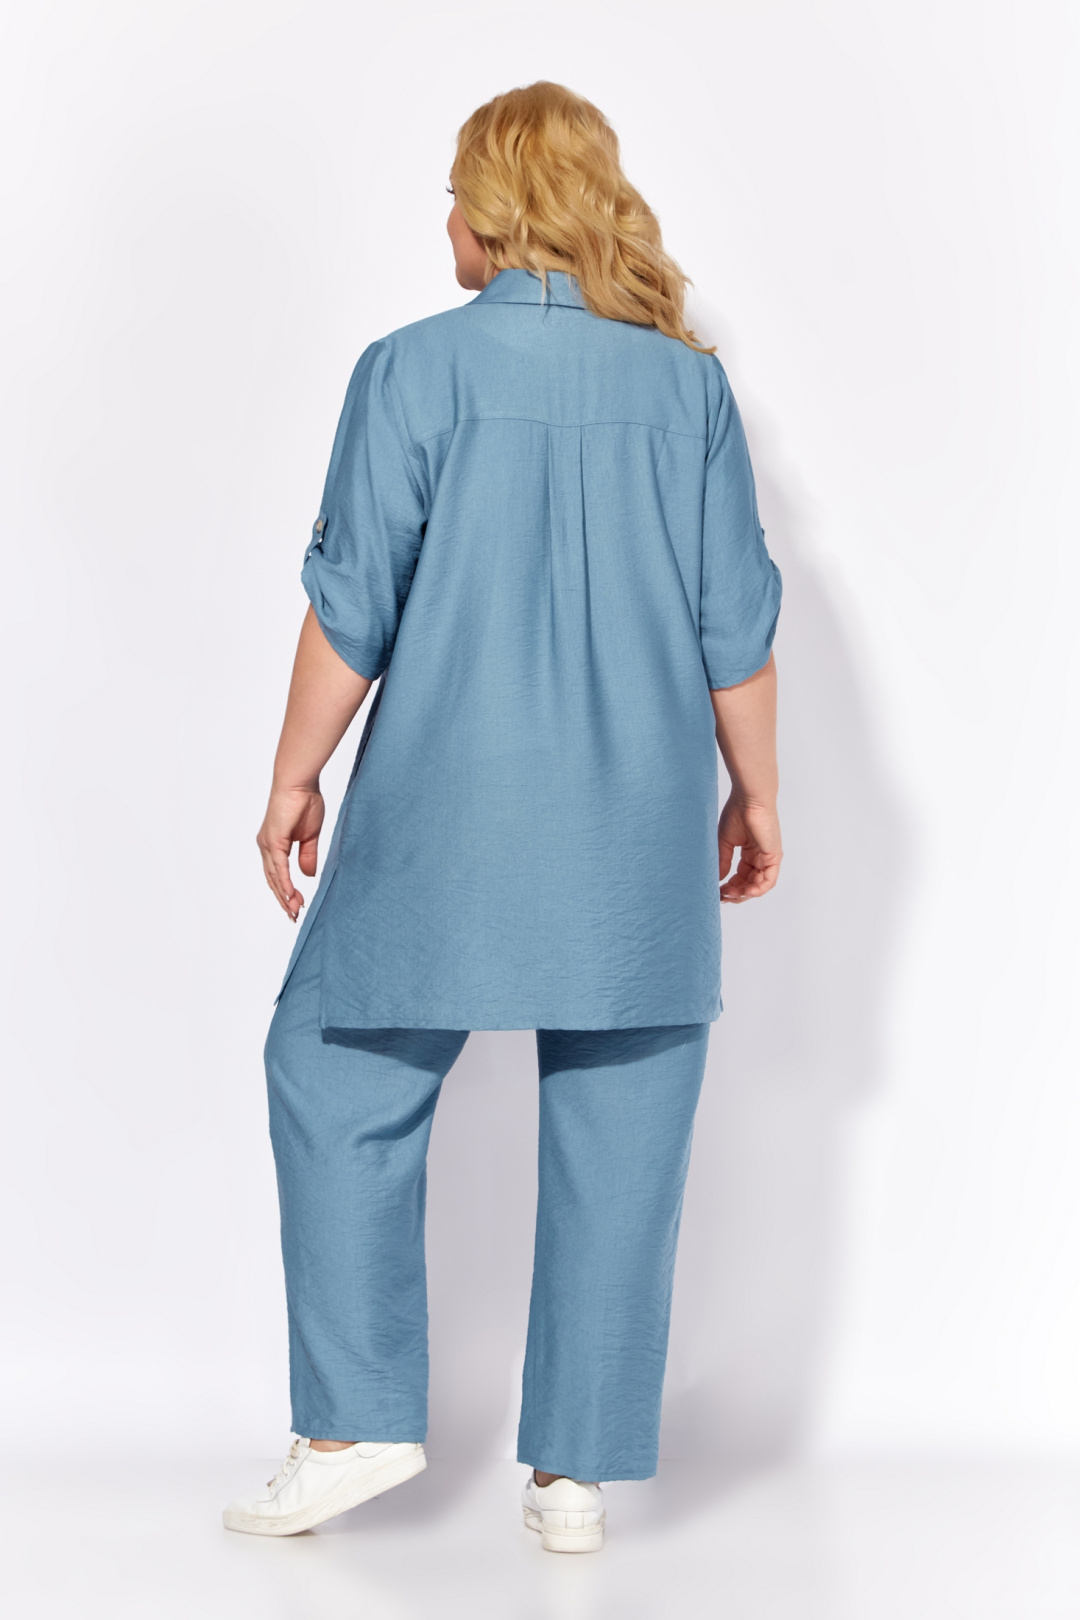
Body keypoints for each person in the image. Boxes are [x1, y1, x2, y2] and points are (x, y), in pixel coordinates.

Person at [222, 81, 782, 1553]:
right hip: (637, 822)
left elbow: (352, 606)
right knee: (622, 1120)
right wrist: (758, 792)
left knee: (332, 1064)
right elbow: (737, 626)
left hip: (446, 806)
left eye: (453, 195)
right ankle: (575, 1476)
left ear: (492, 209)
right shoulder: (690, 389)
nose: (445, 223)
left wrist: (293, 776)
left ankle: (355, 1425)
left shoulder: (409, 370)